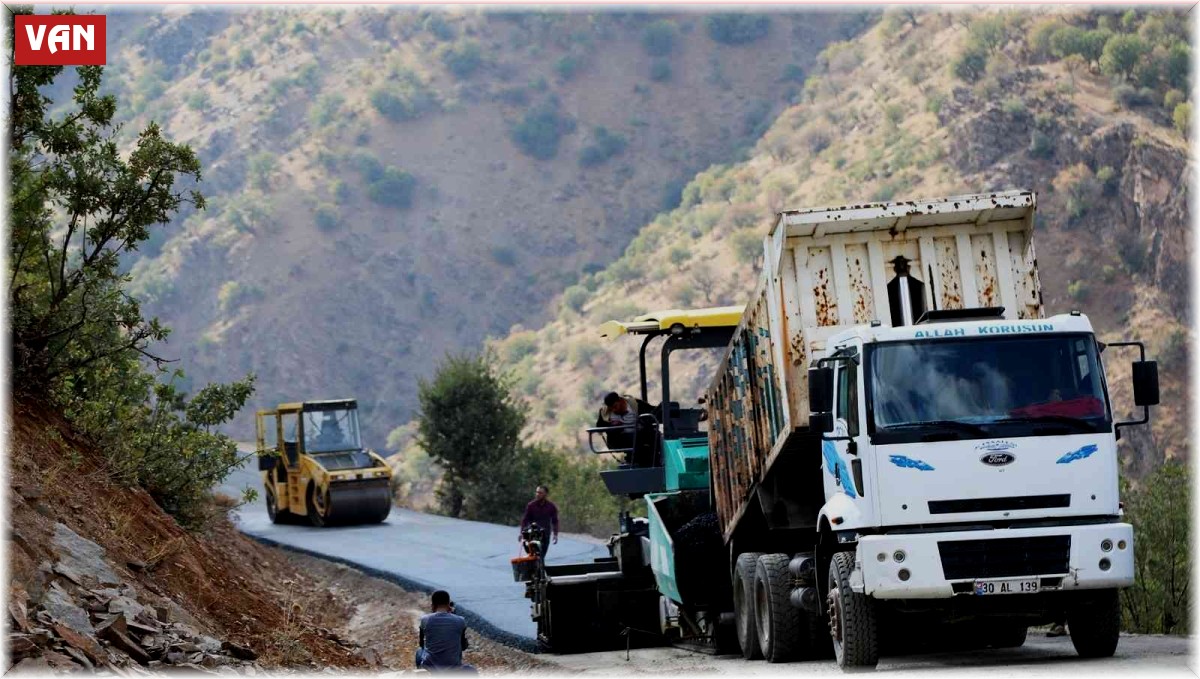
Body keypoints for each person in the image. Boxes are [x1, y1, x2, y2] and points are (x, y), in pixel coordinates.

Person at [415, 590, 476, 673]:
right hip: (454, 669)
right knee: (472, 670)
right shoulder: (460, 620)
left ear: (432, 605)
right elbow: (463, 646)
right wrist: (454, 615)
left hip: (431, 668)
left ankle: (422, 673)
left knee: (419, 651)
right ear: (448, 605)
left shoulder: (425, 620)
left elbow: (421, 644)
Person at [518, 485, 559, 558]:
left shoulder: (551, 506)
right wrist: (522, 533)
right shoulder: (531, 505)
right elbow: (525, 520)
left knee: (541, 556)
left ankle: (540, 563)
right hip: (533, 534)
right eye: (537, 492)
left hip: (545, 534)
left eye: (540, 493)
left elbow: (555, 521)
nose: (537, 494)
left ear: (545, 494)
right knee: (533, 555)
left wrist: (555, 535)